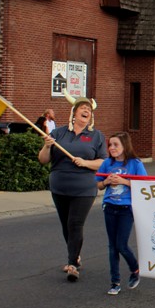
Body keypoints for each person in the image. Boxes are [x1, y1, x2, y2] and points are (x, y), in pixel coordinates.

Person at [38, 92, 107, 282]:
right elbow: (43, 160)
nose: (87, 112)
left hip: (84, 188)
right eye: (83, 109)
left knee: (75, 224)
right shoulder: (58, 133)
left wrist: (85, 163)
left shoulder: (96, 136)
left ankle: (73, 264)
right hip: (59, 186)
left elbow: (103, 162)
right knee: (66, 225)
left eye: (89, 110)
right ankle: (75, 255)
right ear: (74, 113)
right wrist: (46, 146)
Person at [96, 132, 147, 295]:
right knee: (112, 246)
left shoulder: (135, 163)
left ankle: (135, 269)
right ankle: (115, 282)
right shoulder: (106, 163)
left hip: (127, 209)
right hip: (110, 207)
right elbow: (98, 185)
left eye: (115, 145)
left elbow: (144, 184)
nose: (111, 148)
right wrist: (106, 182)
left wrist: (123, 181)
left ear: (125, 146)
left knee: (121, 245)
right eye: (110, 145)